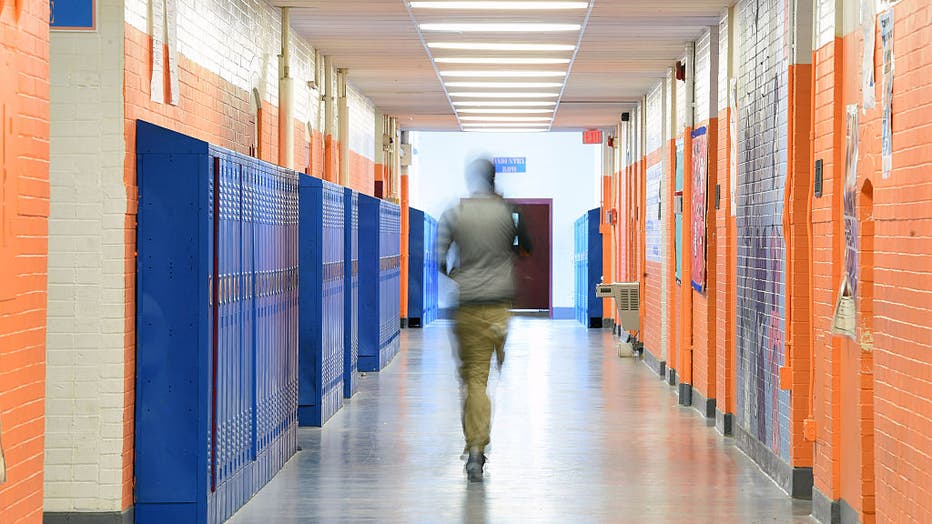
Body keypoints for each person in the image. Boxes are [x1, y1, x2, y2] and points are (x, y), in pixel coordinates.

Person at [437, 157, 532, 482]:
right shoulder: (508, 211)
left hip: (468, 305)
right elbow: (526, 249)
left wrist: (459, 273)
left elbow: (439, 259)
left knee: (473, 379)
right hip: (497, 309)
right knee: (482, 378)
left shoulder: (456, 213)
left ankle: (475, 449)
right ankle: (476, 447)